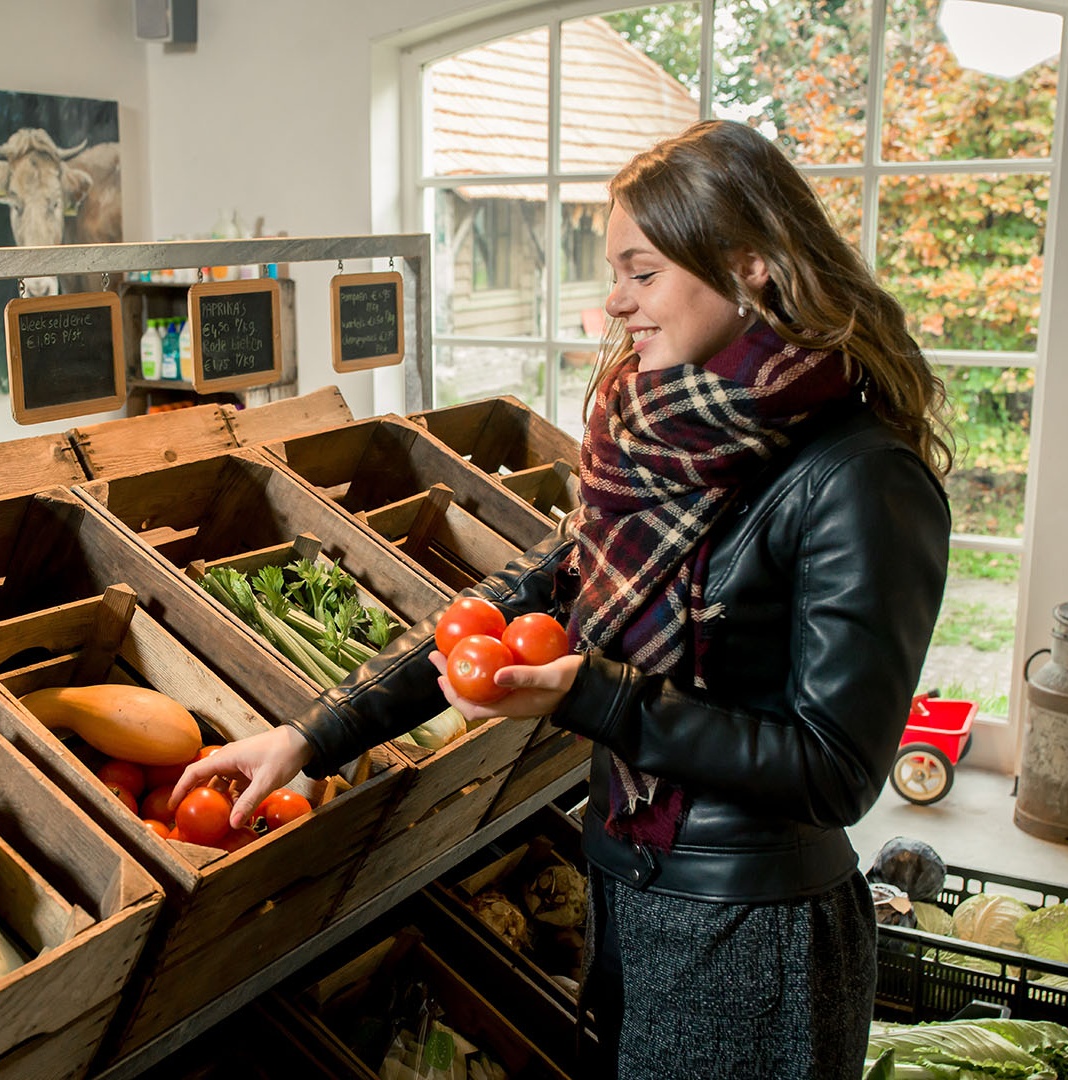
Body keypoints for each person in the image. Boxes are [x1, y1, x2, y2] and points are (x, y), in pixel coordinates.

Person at [173, 118, 952, 1079]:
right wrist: (314, 734)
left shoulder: (861, 478)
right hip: (634, 892)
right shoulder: (660, 436)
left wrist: (598, 695)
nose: (615, 302)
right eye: (613, 272)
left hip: (756, 936)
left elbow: (836, 771)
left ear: (749, 268)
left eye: (642, 272)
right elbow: (530, 590)